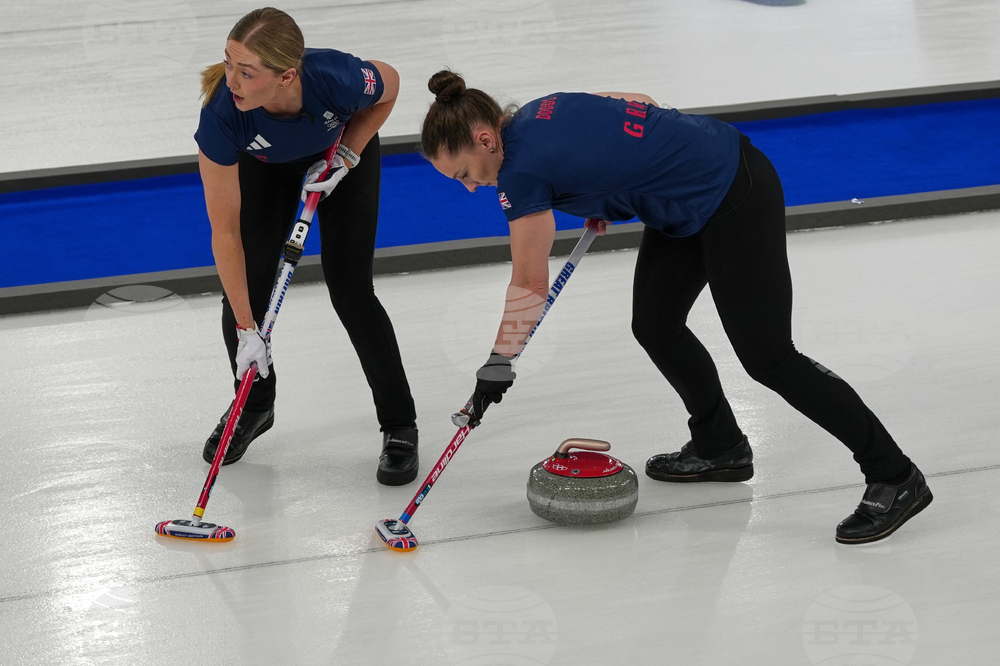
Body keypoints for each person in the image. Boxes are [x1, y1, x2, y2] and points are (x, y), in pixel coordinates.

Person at [419, 70, 932, 544]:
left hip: (733, 192)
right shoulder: (542, 107)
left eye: (465, 172)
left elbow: (530, 282)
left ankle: (894, 474)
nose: (470, 187)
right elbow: (641, 104)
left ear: (487, 140)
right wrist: (612, 189)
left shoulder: (520, 174)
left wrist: (499, 360)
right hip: (683, 199)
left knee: (769, 356)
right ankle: (720, 445)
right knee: (656, 324)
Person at [193, 7, 419, 485]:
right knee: (243, 298)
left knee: (351, 290)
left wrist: (348, 151)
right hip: (265, 166)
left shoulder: (334, 77)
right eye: (229, 64)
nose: (231, 80)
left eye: (246, 72)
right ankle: (254, 405)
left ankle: (399, 424)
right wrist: (246, 327)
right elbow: (225, 233)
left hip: (338, 155)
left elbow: (392, 84)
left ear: (287, 76)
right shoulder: (221, 114)